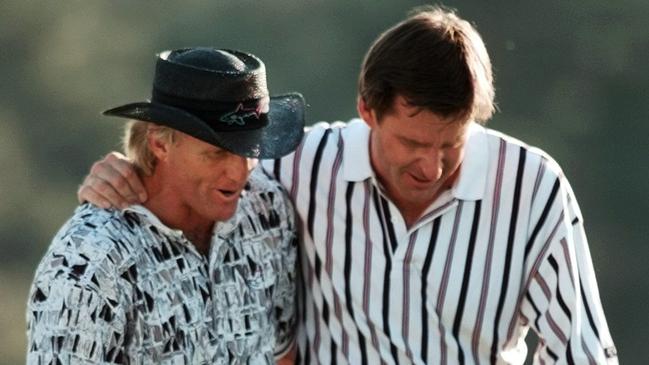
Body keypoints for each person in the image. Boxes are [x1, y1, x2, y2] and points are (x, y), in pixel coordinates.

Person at [76, 6, 618, 365]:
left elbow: (582, 352)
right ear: (367, 111)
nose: (430, 167)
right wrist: (126, 172)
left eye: (451, 143)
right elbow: (201, 178)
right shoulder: (301, 166)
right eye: (411, 143)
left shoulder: (532, 187)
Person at [27, 47, 305, 364]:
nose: (239, 173)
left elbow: (282, 355)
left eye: (250, 149)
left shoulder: (267, 208)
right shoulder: (90, 259)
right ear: (160, 143)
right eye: (217, 153)